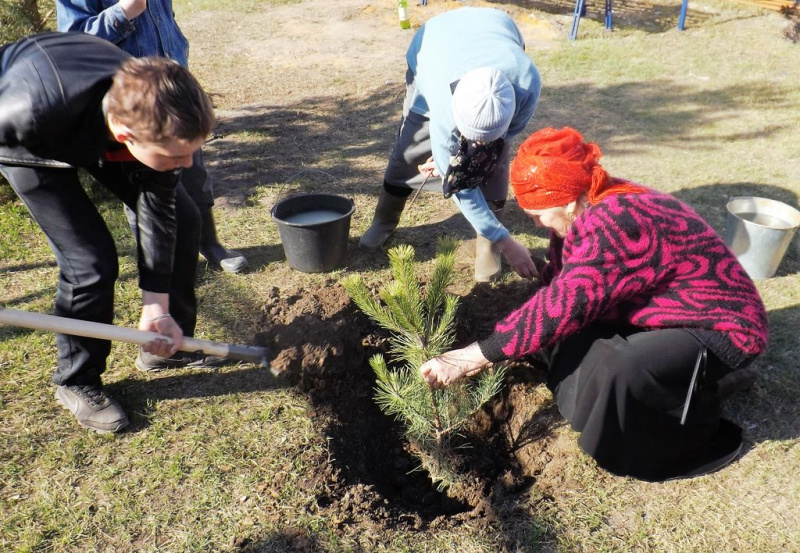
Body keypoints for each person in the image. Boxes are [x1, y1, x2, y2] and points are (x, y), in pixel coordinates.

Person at [420, 127, 769, 482]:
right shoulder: (585, 206)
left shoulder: (617, 221)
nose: (536, 223)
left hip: (722, 328)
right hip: (665, 314)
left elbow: (565, 303)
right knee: (576, 345)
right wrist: (512, 342)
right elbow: (560, 286)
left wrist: (476, 355)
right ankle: (671, 387)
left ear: (569, 201)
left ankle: (693, 426)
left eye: (539, 214)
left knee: (621, 367)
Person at [0, 32, 219, 433]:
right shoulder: (20, 112)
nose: (187, 163)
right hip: (30, 139)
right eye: (176, 155)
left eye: (192, 150)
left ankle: (166, 344)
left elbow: (159, 208)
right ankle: (76, 380)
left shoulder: (156, 106)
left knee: (186, 220)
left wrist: (157, 305)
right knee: (90, 261)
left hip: (88, 110)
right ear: (124, 135)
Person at [55, 0, 248, 274]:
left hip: (175, 93)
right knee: (142, 190)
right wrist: (124, 12)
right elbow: (72, 45)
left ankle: (210, 243)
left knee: (194, 174)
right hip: (135, 107)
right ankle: (162, 267)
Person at [359, 7, 541, 282]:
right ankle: (385, 219)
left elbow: (499, 148)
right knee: (410, 148)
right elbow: (462, 189)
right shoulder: (443, 105)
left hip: (496, 29)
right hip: (434, 44)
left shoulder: (526, 83)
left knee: (497, 164)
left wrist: (469, 160)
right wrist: (508, 242)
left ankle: (486, 242)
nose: (479, 142)